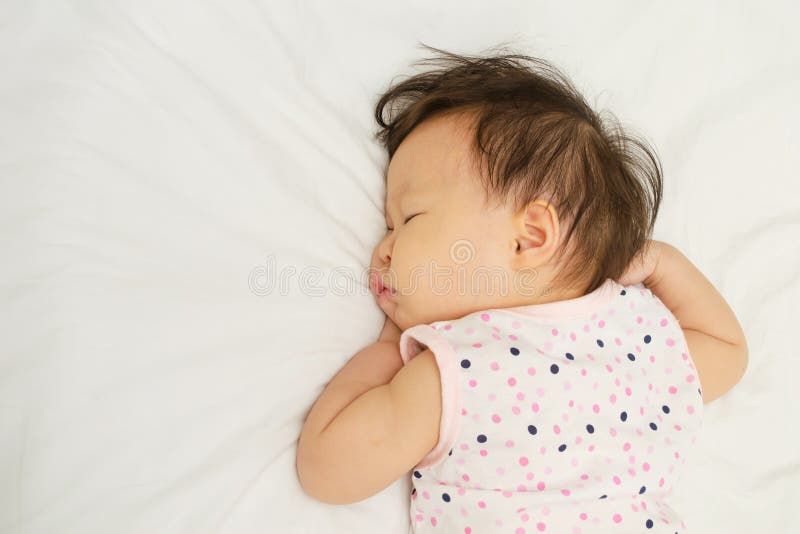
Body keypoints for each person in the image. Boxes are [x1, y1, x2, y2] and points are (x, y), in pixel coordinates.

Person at [296, 44, 748, 533]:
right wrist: (664, 263)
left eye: (409, 218)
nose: (383, 249)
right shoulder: (634, 334)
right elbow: (727, 350)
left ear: (529, 236)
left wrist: (386, 352)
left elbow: (328, 472)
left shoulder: (460, 370)